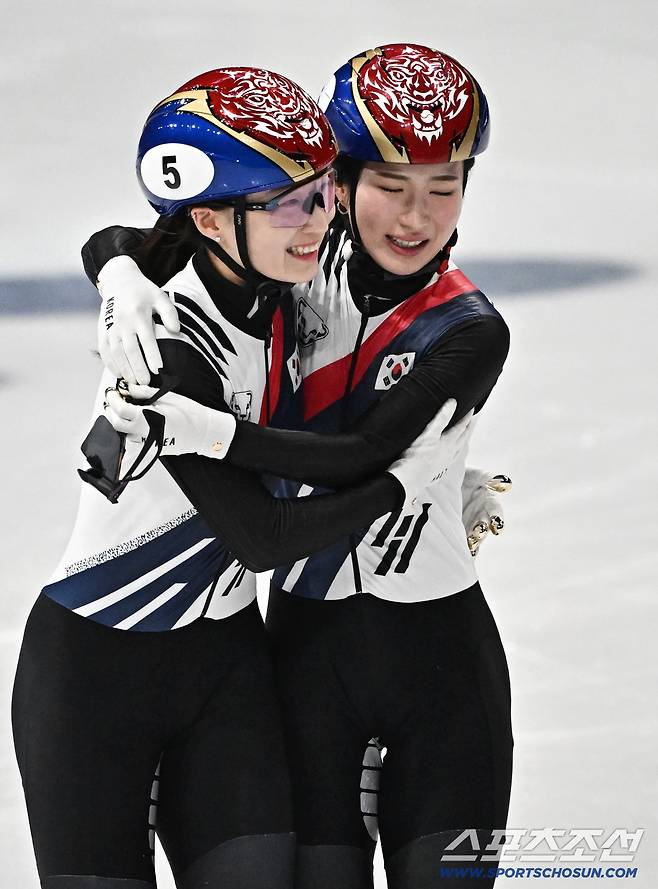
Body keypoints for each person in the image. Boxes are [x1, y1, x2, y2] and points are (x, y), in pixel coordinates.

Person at [11, 65, 461, 889]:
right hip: (95, 676)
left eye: (322, 191)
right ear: (214, 218)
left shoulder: (278, 281)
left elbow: (120, 236)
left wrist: (114, 267)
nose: (320, 221)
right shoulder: (163, 349)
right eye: (293, 204)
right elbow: (263, 538)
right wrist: (405, 482)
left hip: (228, 665)